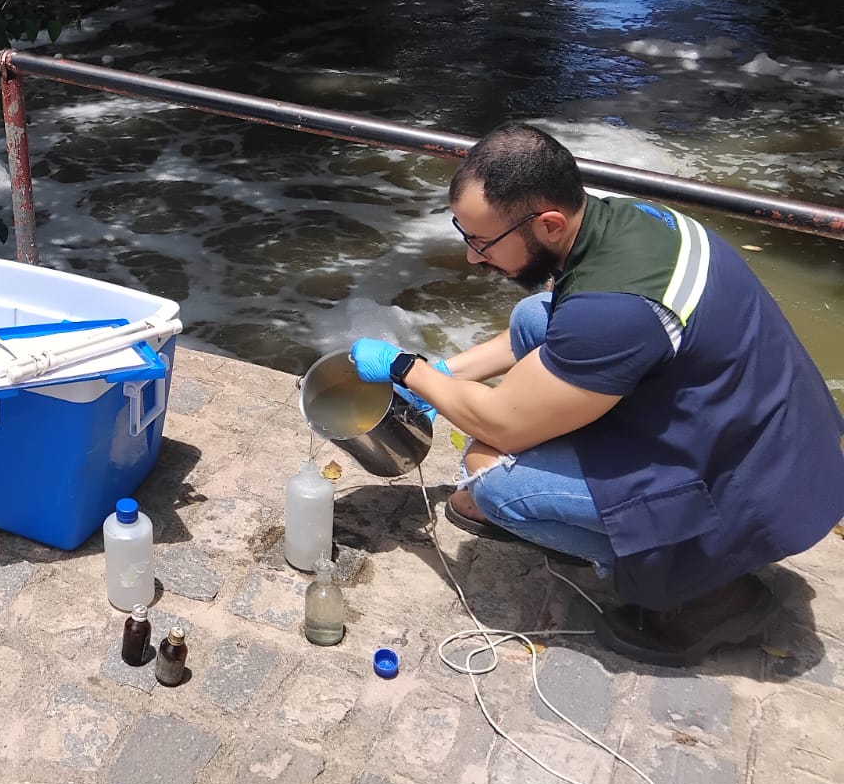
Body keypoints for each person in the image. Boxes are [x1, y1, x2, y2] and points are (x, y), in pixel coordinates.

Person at [349, 122, 844, 666]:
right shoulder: (630, 222)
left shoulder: (614, 312)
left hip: (751, 491)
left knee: (490, 484)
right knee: (533, 315)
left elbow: (502, 425)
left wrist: (408, 369)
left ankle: (710, 592)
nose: (472, 257)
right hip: (769, 434)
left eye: (482, 242)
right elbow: (562, 325)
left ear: (551, 223)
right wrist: (448, 371)